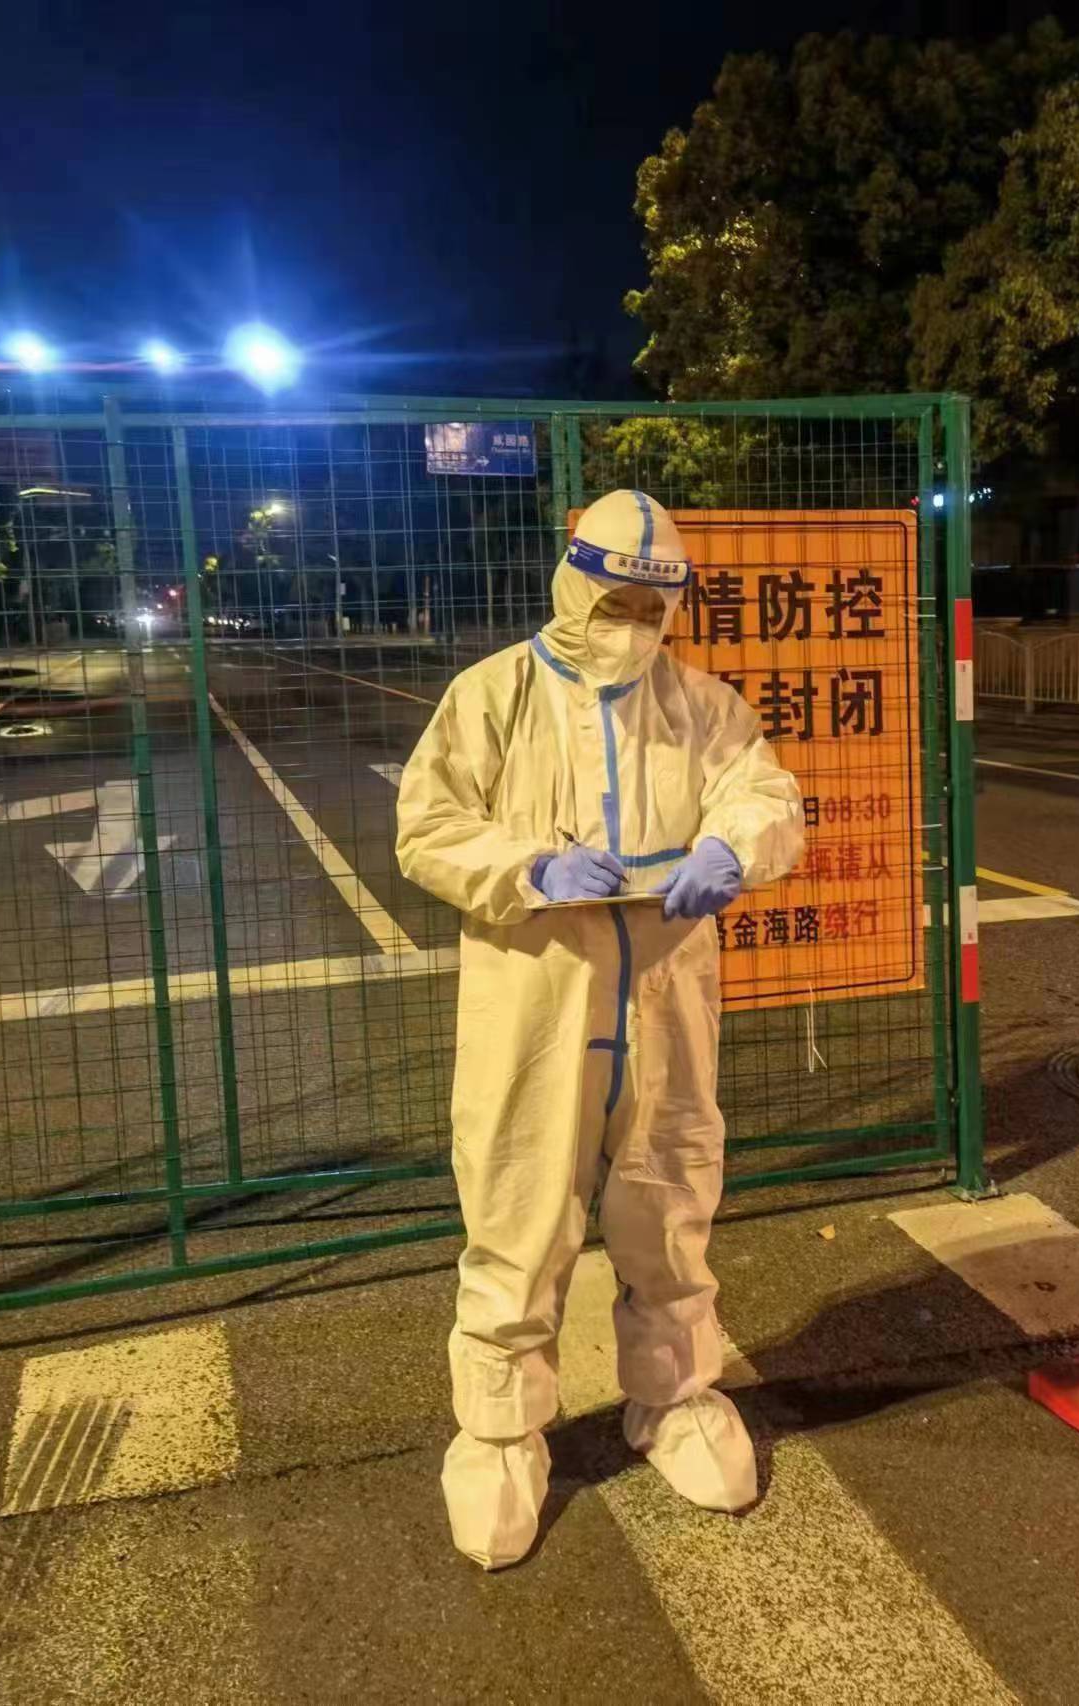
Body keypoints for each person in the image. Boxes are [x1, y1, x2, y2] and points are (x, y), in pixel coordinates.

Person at [396, 489, 802, 1569]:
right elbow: (427, 827)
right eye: (614, 601)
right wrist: (528, 867)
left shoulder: (703, 706)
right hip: (535, 1004)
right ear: (573, 582)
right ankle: (498, 1432)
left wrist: (733, 847)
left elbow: (765, 795)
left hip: (666, 1000)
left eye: (650, 607)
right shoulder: (492, 696)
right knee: (518, 1205)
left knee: (668, 1195)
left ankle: (674, 1396)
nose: (630, 623)